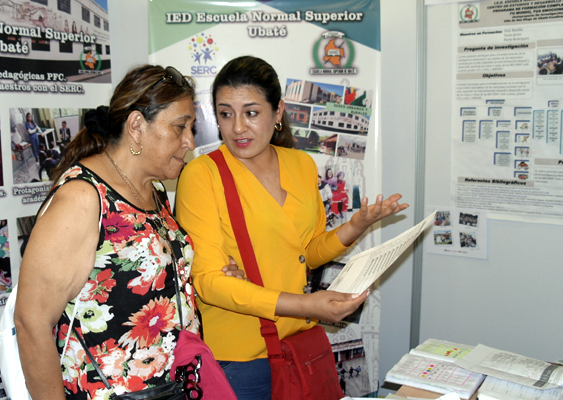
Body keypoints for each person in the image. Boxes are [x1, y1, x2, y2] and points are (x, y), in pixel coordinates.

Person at [175, 56, 408, 400]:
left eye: (251, 113)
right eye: (226, 114)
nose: (238, 127)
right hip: (240, 356)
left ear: (278, 110)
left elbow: (308, 252)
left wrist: (357, 225)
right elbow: (210, 283)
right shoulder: (202, 174)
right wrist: (308, 305)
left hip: (299, 344)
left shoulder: (300, 164)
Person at [14, 65, 243, 399]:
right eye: (180, 127)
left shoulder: (154, 190)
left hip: (173, 387)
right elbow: (30, 323)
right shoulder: (83, 198)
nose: (189, 141)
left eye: (191, 127)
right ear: (137, 126)